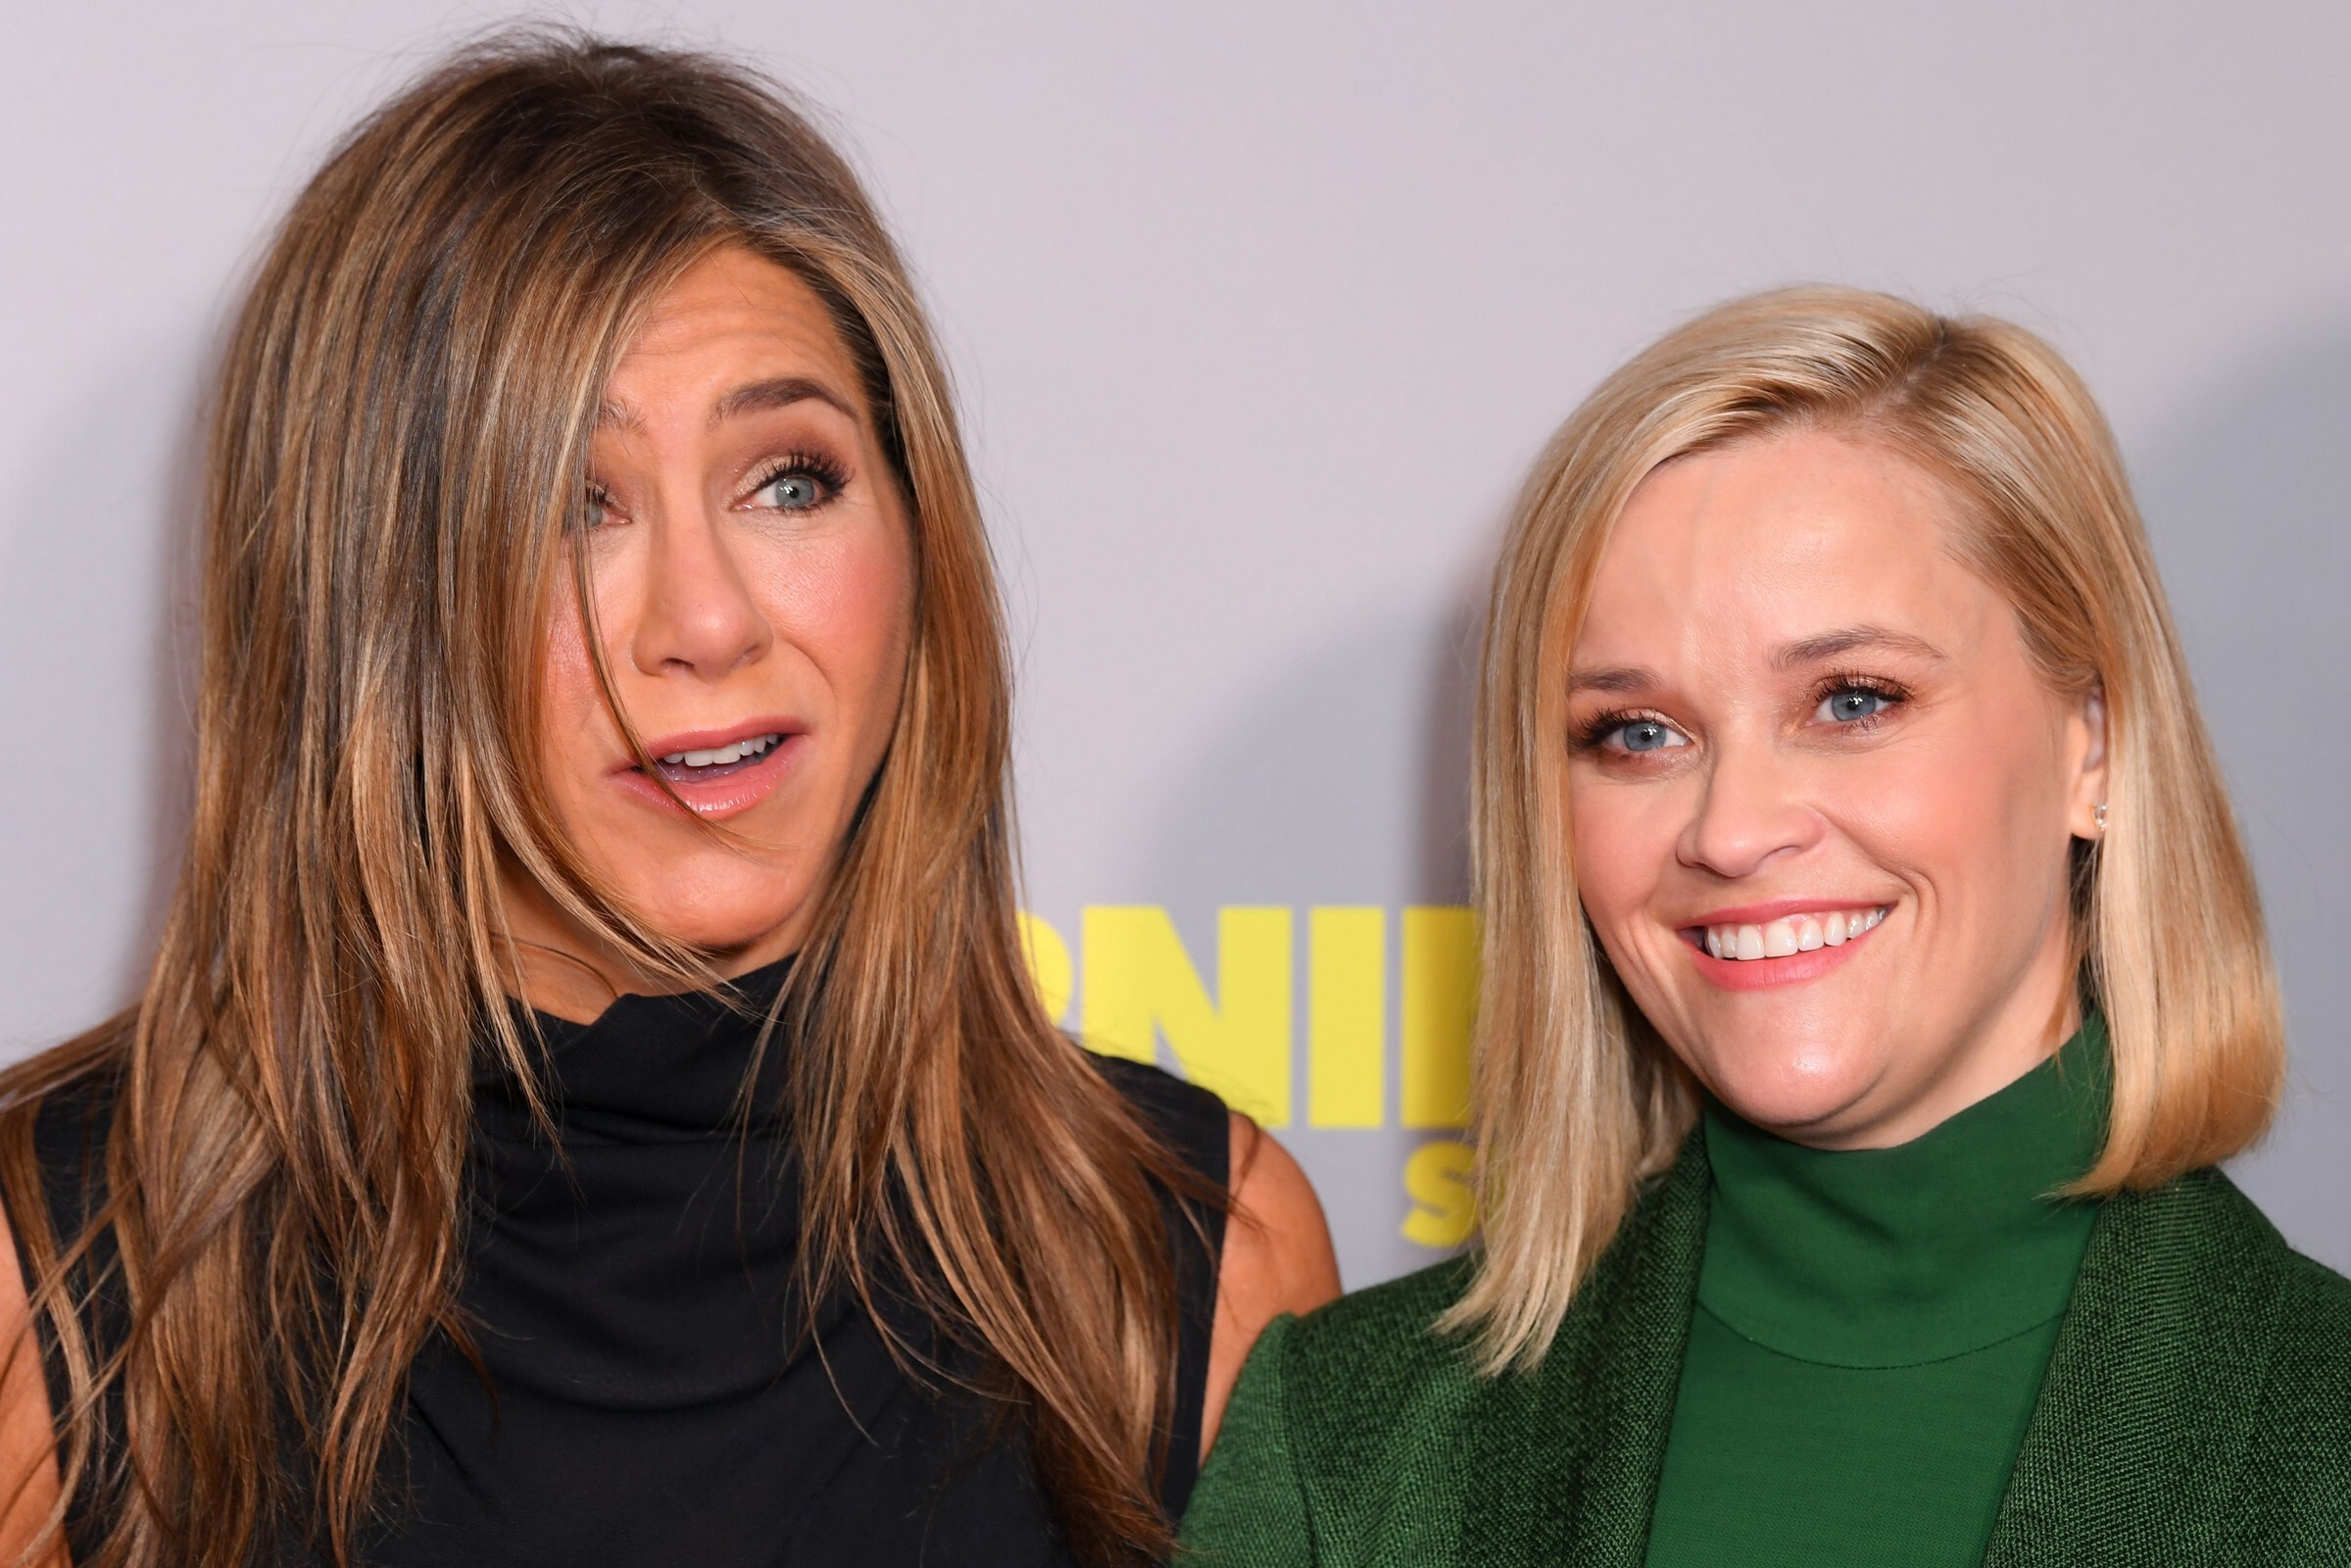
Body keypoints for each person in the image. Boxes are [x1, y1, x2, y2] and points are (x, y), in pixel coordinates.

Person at [0, 33, 1338, 1568]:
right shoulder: (58, 1297)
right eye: (571, 505)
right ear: (373, 611)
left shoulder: (1183, 1262)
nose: (706, 621)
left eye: (790, 481)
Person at [1182, 286, 2351, 1565]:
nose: (1732, 830)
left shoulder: (2318, 1434)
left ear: (2098, 745)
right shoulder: (1342, 1447)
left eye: (1853, 700)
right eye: (1637, 733)